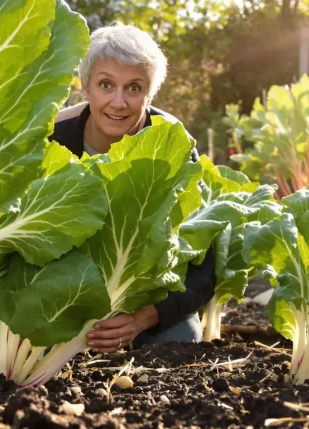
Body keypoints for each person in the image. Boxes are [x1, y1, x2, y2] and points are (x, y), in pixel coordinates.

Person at [49, 23, 216, 353]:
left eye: (134, 88)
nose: (119, 102)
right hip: (63, 295)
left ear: (150, 93)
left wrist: (145, 317)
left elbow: (204, 264)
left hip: (144, 299)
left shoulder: (173, 145)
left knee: (182, 341)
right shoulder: (55, 137)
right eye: (106, 85)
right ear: (85, 87)